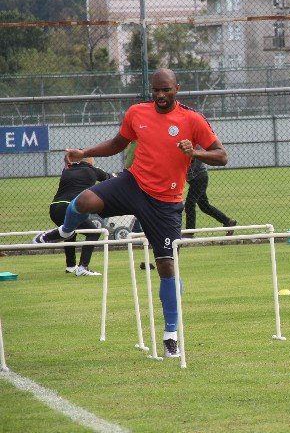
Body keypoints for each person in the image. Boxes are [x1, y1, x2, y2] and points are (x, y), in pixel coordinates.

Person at [33, 68, 228, 357]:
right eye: (156, 90)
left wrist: (195, 153)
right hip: (132, 184)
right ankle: (63, 231)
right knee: (84, 201)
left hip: (164, 202)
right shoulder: (137, 113)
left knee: (167, 267)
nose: (160, 95)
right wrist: (83, 153)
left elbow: (222, 156)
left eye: (166, 90)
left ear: (177, 88)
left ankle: (170, 334)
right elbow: (116, 144)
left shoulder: (192, 120)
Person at [49, 157, 115, 276]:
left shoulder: (67, 170)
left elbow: (67, 166)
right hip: (71, 207)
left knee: (69, 231)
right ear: (90, 161)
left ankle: (70, 266)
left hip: (54, 208)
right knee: (94, 233)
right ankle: (83, 267)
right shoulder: (93, 170)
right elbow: (111, 178)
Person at [184, 155, 236, 237]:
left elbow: (197, 158)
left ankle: (190, 233)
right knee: (204, 206)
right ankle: (228, 222)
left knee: (189, 204)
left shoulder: (194, 146)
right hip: (195, 179)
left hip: (199, 178)